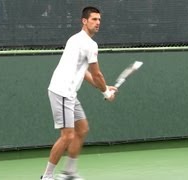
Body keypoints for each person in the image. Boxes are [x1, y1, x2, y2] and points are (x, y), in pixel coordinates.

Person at [41, 6, 117, 180]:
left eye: (99, 20)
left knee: (82, 129)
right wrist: (106, 92)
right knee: (67, 136)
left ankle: (69, 171)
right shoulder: (89, 44)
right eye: (94, 19)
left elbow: (83, 73)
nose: (98, 23)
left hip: (69, 93)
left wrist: (103, 87)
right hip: (62, 91)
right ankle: (47, 176)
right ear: (84, 21)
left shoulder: (75, 39)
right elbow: (97, 74)